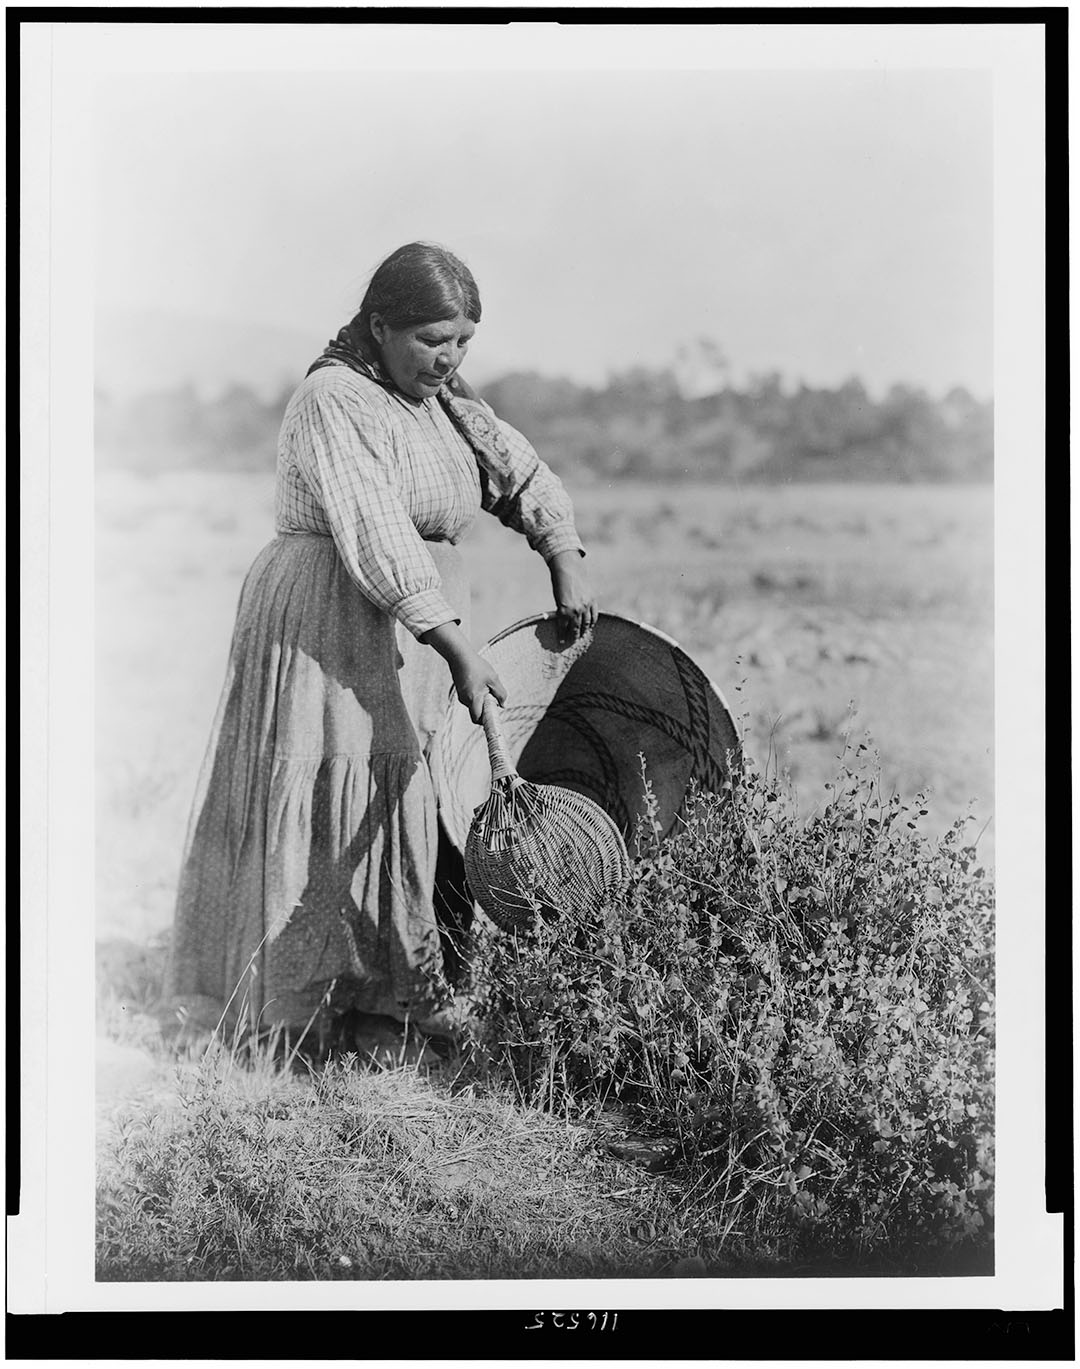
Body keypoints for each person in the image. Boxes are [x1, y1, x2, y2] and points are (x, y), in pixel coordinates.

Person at [164, 242, 596, 1057]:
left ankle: (380, 1002)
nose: (451, 356)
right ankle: (297, 1012)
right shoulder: (336, 397)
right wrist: (458, 645)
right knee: (333, 781)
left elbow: (518, 470)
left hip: (411, 622)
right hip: (332, 609)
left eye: (465, 340)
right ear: (380, 325)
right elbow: (377, 530)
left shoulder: (446, 403)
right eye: (434, 337)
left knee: (399, 792)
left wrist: (562, 553)